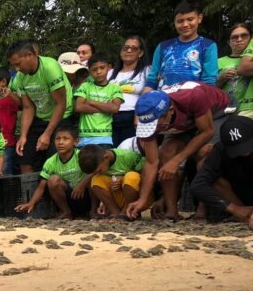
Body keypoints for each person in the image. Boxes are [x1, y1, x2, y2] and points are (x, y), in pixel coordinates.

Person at [126, 84, 229, 220]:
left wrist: (177, 160)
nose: (155, 129)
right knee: (166, 153)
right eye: (151, 126)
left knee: (204, 152)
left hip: (216, 111)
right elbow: (151, 162)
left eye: (157, 124)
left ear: (170, 110)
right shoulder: (148, 116)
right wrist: (142, 199)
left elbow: (207, 132)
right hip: (185, 120)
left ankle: (203, 208)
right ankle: (172, 211)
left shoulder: (194, 97)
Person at [8, 40, 73, 173]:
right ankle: (29, 187)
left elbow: (61, 104)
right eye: (14, 65)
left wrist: (47, 134)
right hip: (40, 117)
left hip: (61, 117)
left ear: (29, 55)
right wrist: (23, 136)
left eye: (18, 64)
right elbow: (28, 107)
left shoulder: (50, 67)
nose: (17, 69)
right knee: (24, 158)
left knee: (53, 162)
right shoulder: (20, 77)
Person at [17, 123, 92, 219]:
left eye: (65, 139)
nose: (61, 142)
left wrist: (82, 184)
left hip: (85, 195)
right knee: (53, 180)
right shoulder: (50, 162)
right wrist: (31, 203)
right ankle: (66, 212)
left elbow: (96, 170)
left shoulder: (81, 155)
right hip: (69, 197)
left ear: (76, 142)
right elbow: (41, 187)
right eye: (58, 138)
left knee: (94, 178)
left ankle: (93, 211)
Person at [189, 115, 253, 228]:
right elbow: (198, 185)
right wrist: (234, 208)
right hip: (237, 195)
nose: (243, 152)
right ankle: (242, 215)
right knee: (206, 167)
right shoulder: (220, 150)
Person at [144, 1, 218, 91]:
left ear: (199, 18)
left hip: (193, 97)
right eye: (180, 21)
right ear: (174, 23)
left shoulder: (208, 46)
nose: (185, 24)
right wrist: (145, 98)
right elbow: (152, 80)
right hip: (163, 97)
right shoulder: (163, 46)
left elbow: (209, 82)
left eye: (190, 19)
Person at [79, 144, 145, 218]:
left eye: (99, 170)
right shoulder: (103, 163)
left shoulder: (128, 156)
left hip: (138, 198)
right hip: (118, 198)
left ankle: (126, 211)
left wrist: (122, 179)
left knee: (131, 177)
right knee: (96, 180)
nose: (98, 173)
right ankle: (116, 213)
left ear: (106, 157)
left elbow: (146, 175)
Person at [74, 54, 124, 147]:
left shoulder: (115, 88)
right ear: (89, 71)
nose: (99, 72)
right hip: (84, 137)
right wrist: (106, 107)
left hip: (104, 137)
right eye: (94, 69)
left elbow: (115, 108)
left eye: (102, 67)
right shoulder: (85, 86)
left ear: (108, 67)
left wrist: (91, 102)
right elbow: (79, 107)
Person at [108, 36, 150, 146]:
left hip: (133, 118)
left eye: (134, 48)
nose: (129, 50)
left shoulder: (147, 71)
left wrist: (139, 116)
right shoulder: (110, 73)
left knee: (128, 152)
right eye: (126, 48)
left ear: (140, 53)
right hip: (109, 119)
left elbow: (150, 96)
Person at [0, 67, 19, 175]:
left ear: (3, 82)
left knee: (5, 172)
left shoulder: (10, 99)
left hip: (7, 142)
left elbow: (22, 105)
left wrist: (10, 94)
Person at [217, 23, 252, 106]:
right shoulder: (217, 62)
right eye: (235, 37)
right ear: (229, 42)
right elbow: (207, 90)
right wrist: (220, 79)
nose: (239, 39)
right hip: (225, 108)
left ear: (251, 39)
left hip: (248, 107)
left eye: (244, 36)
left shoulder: (251, 61)